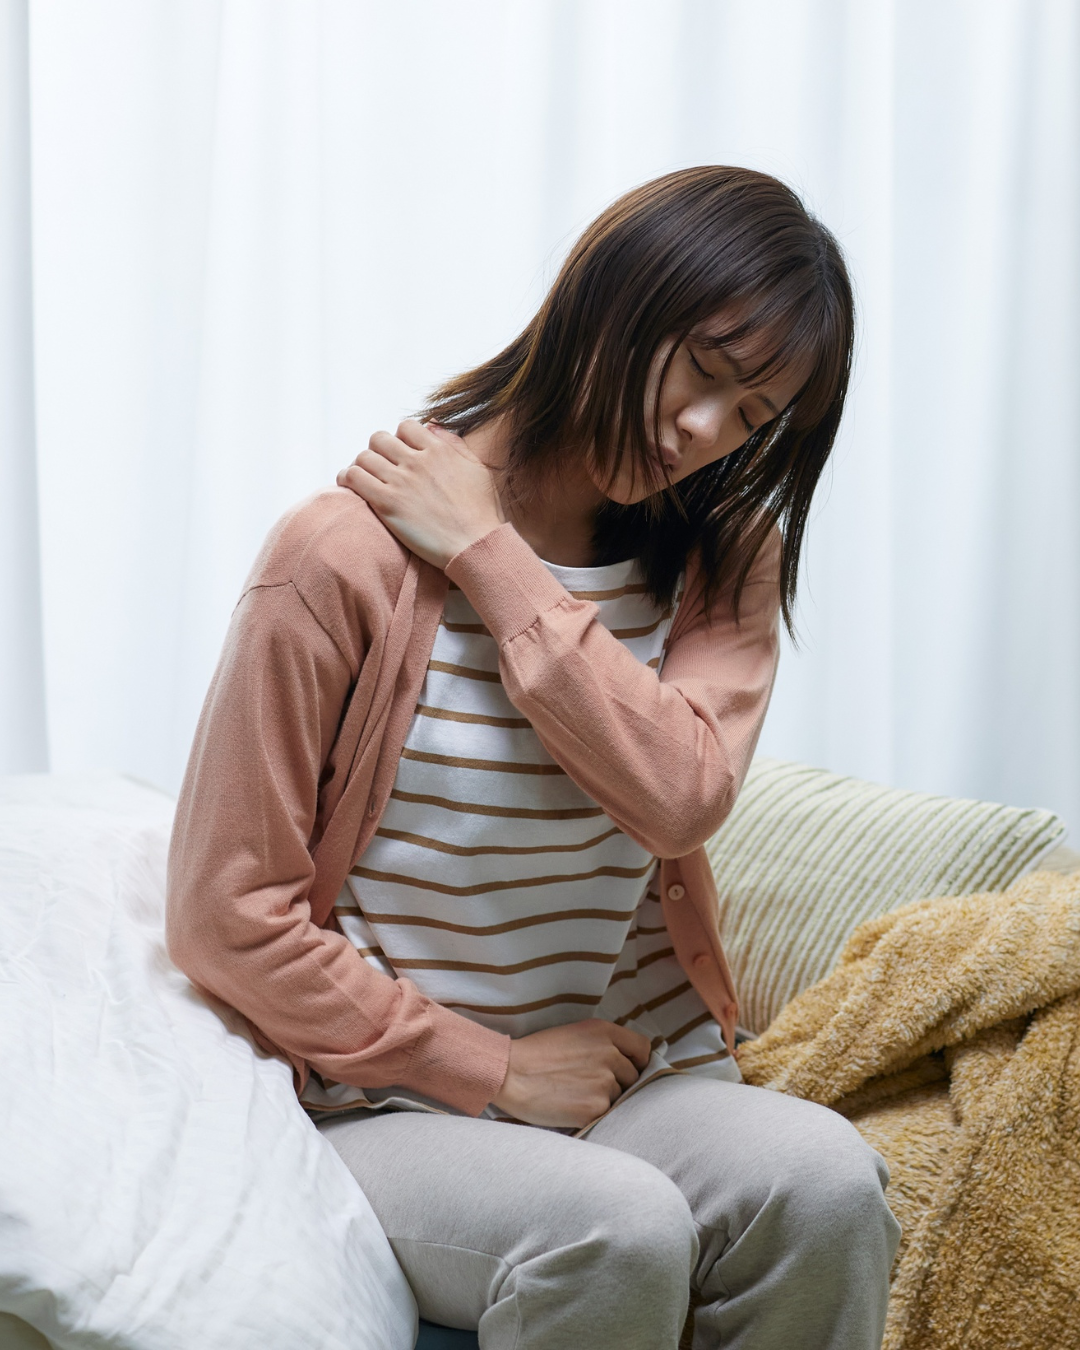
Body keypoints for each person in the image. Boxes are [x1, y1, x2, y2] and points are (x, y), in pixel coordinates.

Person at [166, 165, 900, 1350]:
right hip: (390, 1102)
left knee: (827, 1186)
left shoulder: (722, 561)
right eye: (703, 369)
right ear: (609, 298)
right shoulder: (340, 557)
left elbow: (680, 798)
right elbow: (226, 913)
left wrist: (491, 556)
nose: (704, 432)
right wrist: (493, 1068)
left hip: (634, 1082)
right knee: (615, 1230)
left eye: (753, 417)